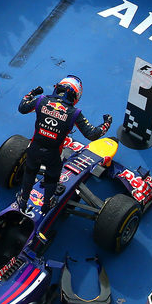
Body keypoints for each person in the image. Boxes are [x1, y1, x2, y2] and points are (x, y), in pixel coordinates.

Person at [16, 76, 113, 213]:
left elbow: (22, 107)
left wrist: (32, 92)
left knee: (30, 172)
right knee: (52, 179)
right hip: (53, 155)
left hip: (34, 148)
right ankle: (47, 204)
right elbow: (92, 134)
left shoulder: (41, 100)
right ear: (76, 95)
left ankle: (23, 199)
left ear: (57, 88)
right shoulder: (74, 113)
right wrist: (107, 123)